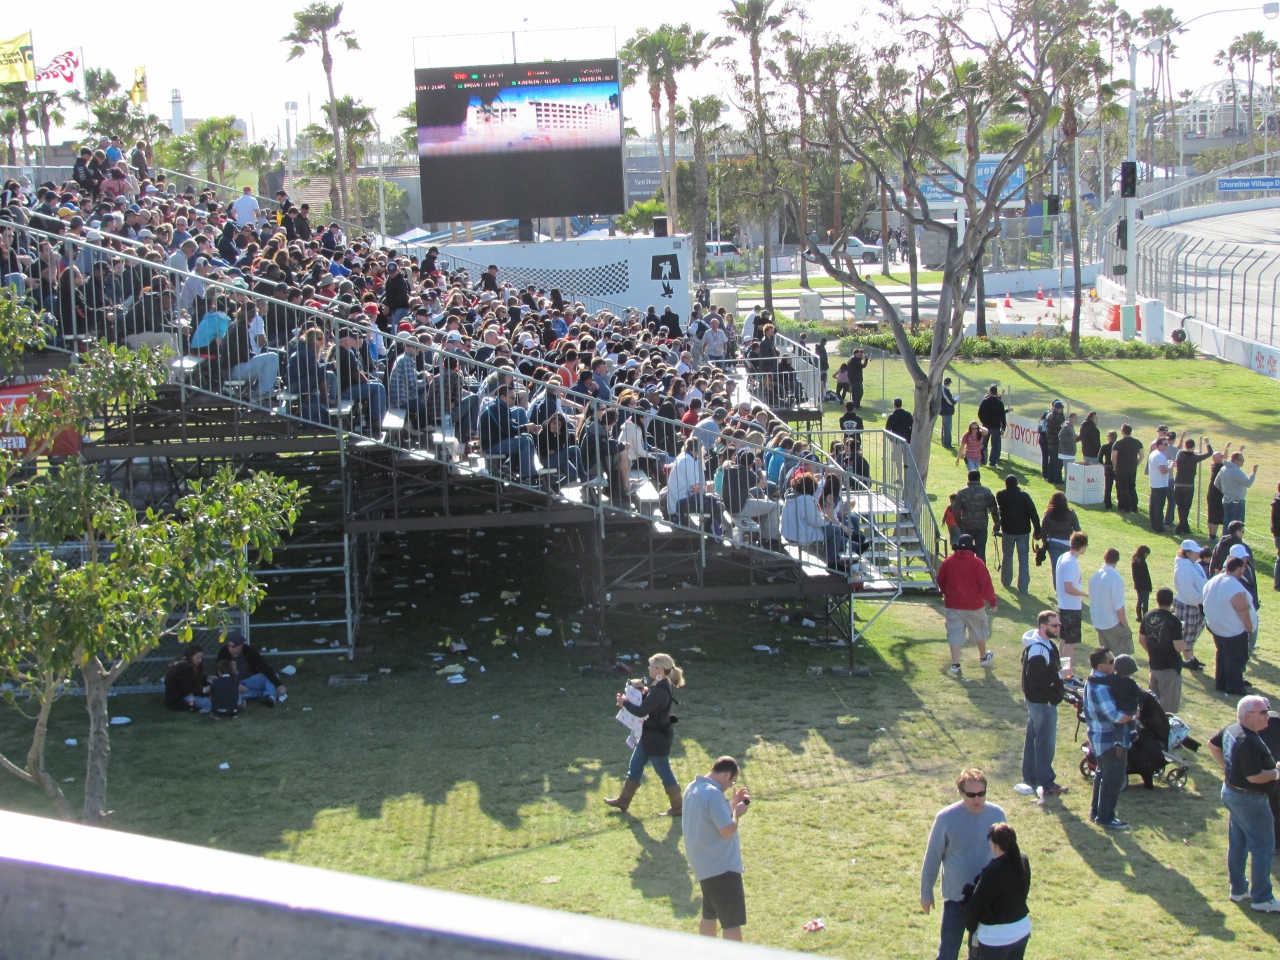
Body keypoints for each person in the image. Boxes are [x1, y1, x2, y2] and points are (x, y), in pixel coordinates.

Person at [920, 767, 1008, 960]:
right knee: (948, 951)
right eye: (971, 794)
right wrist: (926, 892)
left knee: (978, 953)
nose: (977, 799)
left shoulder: (997, 815)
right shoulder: (945, 818)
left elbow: (1007, 856)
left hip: (986, 898)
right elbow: (933, 856)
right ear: (960, 793)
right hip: (956, 899)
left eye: (981, 794)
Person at [1207, 696, 1280, 912]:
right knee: (1263, 847)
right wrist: (1276, 773)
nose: (1268, 715)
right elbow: (1256, 777)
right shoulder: (1249, 741)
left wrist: (1228, 770)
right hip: (1250, 799)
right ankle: (1262, 898)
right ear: (1248, 715)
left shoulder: (1231, 729)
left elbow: (1213, 745)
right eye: (1264, 712)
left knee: (1238, 843)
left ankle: (1238, 890)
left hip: (1232, 793)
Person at [605, 653, 685, 816]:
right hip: (651, 734)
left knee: (663, 770)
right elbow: (649, 704)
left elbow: (641, 711)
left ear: (659, 670)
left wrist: (624, 703)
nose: (648, 668)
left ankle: (678, 807)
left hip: (657, 738)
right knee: (635, 765)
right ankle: (623, 801)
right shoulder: (662, 683)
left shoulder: (660, 690)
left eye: (651, 666)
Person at [682, 756, 751, 940]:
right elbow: (727, 829)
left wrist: (731, 805)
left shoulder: (692, 788)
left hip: (703, 865)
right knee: (731, 923)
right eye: (732, 781)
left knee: (709, 914)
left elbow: (710, 817)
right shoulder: (713, 794)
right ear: (726, 774)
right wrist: (737, 812)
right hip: (722, 868)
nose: (731, 785)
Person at [962, 822, 1032, 959]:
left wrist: (971, 926)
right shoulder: (1022, 860)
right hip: (1021, 928)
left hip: (996, 937)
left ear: (994, 843)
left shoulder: (993, 870)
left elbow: (975, 905)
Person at [1083, 646, 1135, 830]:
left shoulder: (1094, 680)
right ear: (1101, 665)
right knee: (1113, 779)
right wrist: (1136, 715)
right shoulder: (1101, 687)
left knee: (1102, 775)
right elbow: (1116, 716)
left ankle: (1097, 812)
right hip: (1109, 741)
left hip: (1099, 739)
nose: (1116, 664)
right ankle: (1105, 817)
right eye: (1112, 661)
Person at [1017, 611, 1068, 797]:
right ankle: (1047, 783)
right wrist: (1059, 676)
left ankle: (1030, 777)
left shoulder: (1043, 644)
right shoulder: (1038, 649)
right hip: (1042, 703)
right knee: (1045, 743)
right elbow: (1037, 678)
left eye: (1059, 625)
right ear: (1043, 626)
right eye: (1054, 625)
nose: (1058, 628)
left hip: (1036, 702)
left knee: (1032, 740)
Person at [936, 533, 997, 677]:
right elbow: (986, 584)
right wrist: (993, 602)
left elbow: (940, 580)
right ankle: (983, 657)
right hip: (974, 605)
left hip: (953, 604)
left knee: (955, 634)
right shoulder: (977, 563)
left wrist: (946, 593)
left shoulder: (948, 562)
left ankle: (955, 664)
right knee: (979, 631)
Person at [1204, 556, 1259, 696]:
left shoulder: (1214, 580)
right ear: (1238, 568)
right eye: (1243, 568)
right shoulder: (1233, 585)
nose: (1244, 571)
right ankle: (1234, 686)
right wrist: (1248, 625)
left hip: (1217, 627)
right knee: (1236, 657)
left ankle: (1221, 682)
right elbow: (1241, 607)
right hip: (1232, 629)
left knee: (1222, 654)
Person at [1139, 587, 1186, 711]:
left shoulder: (1148, 616)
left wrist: (1152, 652)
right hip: (1169, 668)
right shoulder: (1173, 621)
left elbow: (1142, 639)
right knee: (1168, 709)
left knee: (1153, 704)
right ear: (1172, 601)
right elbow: (1179, 648)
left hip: (1154, 665)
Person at [996, 475, 1041, 593]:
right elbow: (1033, 513)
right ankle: (1023, 586)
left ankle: (1006, 581)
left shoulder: (1001, 495)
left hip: (1008, 531)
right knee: (1023, 558)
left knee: (1007, 556)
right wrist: (1037, 530)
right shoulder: (1024, 496)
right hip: (1023, 531)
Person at [215, 633, 286, 706]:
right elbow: (220, 673)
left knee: (270, 676)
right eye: (229, 646)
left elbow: (264, 666)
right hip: (232, 683)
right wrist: (236, 684)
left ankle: (270, 697)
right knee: (228, 693)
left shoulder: (249, 650)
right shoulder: (223, 652)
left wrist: (279, 684)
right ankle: (264, 694)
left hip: (250, 680)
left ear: (241, 645)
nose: (231, 649)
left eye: (234, 647)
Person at [1055, 533, 1088, 681]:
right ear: (1082, 547)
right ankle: (1066, 673)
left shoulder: (1063, 557)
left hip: (1065, 605)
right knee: (1070, 643)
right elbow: (1068, 587)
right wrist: (1085, 594)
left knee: (1064, 640)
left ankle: (1063, 670)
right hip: (1070, 608)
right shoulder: (1071, 562)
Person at [1088, 548, 1132, 654]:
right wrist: (1125, 625)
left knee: (1106, 658)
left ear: (1104, 558)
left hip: (1097, 621)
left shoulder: (1094, 576)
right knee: (1122, 656)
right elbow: (1118, 606)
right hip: (1112, 623)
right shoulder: (1115, 578)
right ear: (1117, 560)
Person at [954, 470, 1000, 564]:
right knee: (981, 552)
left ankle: (966, 572)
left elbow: (955, 510)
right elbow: (993, 509)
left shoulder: (962, 492)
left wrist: (959, 523)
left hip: (966, 525)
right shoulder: (986, 491)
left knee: (965, 551)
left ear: (968, 478)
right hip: (981, 526)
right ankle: (981, 572)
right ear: (979, 478)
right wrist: (996, 523)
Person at [1173, 437, 1213, 535]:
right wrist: (1207, 443)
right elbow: (1209, 453)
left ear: (1185, 446)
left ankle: (1185, 528)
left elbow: (1186, 453)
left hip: (1178, 484)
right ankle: (1181, 527)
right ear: (1193, 446)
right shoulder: (1195, 458)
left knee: (1180, 507)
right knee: (1186, 507)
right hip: (1188, 485)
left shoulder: (1179, 454)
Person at [1040, 492, 1080, 586]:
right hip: (1066, 543)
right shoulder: (1071, 514)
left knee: (1056, 567)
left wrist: (1044, 543)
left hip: (1053, 543)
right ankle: (1068, 586)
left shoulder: (1048, 514)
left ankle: (1058, 589)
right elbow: (1077, 529)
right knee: (1067, 567)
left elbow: (1044, 532)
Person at [1215, 450, 1258, 529]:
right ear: (1234, 460)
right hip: (1237, 502)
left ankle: (1226, 540)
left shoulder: (1223, 469)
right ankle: (1235, 540)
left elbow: (1216, 483)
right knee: (1237, 525)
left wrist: (1226, 491)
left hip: (1226, 500)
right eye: (1241, 460)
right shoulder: (1237, 471)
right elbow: (1248, 483)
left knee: (1227, 523)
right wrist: (1254, 473)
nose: (1242, 462)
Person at [163, 642, 211, 714]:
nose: (200, 660)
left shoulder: (193, 664)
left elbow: (195, 678)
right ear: (191, 656)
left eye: (201, 657)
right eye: (198, 658)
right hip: (180, 698)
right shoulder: (182, 667)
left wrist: (207, 678)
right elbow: (187, 688)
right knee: (208, 701)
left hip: (187, 694)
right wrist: (204, 690)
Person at [1112, 423, 1144, 514]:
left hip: (1121, 468)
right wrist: (1136, 464)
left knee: (1123, 487)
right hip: (1132, 468)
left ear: (1122, 431)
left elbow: (1113, 457)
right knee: (1132, 486)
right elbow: (1141, 455)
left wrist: (1115, 467)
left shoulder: (1118, 443)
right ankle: (1134, 506)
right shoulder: (1137, 442)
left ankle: (1126, 507)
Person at [1147, 435, 1173, 533]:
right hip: (1161, 484)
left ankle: (1153, 524)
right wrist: (1170, 467)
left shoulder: (1153, 453)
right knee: (1159, 507)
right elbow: (1163, 471)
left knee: (1153, 506)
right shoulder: (1161, 456)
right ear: (1159, 445)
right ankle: (1159, 527)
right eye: (1165, 444)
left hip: (1154, 483)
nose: (1167, 446)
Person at [976, 385, 1007, 466]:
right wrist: (1003, 428)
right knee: (995, 445)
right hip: (996, 427)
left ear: (990, 391)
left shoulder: (984, 401)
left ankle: (982, 461)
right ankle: (992, 463)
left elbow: (979, 413)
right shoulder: (1000, 403)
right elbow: (1003, 417)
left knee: (983, 444)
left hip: (986, 426)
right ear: (996, 392)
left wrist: (983, 421)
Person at [1043, 401, 1065, 483]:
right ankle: (1057, 478)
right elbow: (1059, 429)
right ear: (1055, 408)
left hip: (1053, 442)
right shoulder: (1053, 417)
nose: (1061, 410)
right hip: (1054, 442)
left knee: (1052, 461)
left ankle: (1051, 477)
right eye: (1060, 408)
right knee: (1057, 462)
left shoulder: (1054, 415)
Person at [1132, 544, 1153, 620]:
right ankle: (1145, 616)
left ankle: (1139, 616)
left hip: (1138, 585)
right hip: (1145, 585)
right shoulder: (1142, 563)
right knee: (1145, 601)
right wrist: (1150, 586)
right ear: (1144, 553)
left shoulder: (1134, 561)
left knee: (1139, 600)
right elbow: (1146, 576)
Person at [1099, 429, 1118, 509]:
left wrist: (1103, 464)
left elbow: (1099, 458)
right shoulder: (1118, 446)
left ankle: (1107, 503)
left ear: (1109, 437)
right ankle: (1120, 502)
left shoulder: (1105, 446)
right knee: (1119, 486)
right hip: (1117, 468)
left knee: (1108, 486)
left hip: (1108, 467)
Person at [939, 377, 958, 449]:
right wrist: (955, 400)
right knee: (947, 428)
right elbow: (950, 402)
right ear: (949, 383)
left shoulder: (942, 389)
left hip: (945, 411)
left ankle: (944, 442)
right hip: (947, 412)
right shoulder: (945, 390)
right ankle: (947, 444)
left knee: (944, 427)